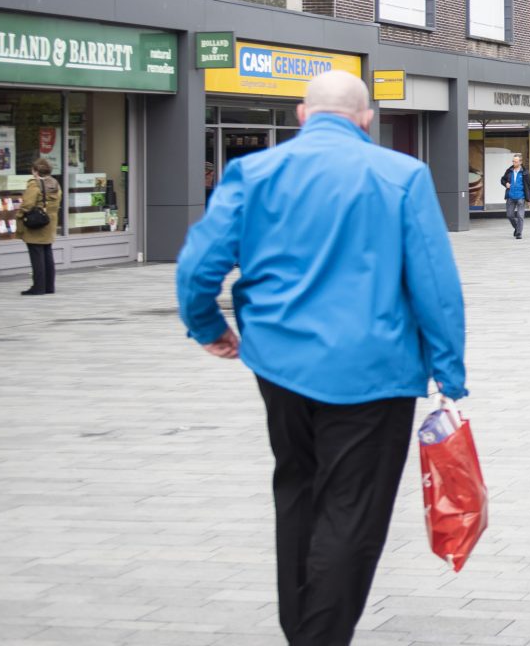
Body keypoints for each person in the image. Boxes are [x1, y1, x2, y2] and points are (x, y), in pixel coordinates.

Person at [175, 70, 466, 646]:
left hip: (280, 365)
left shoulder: (252, 173)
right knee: (352, 509)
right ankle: (319, 637)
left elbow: (197, 265)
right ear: (366, 120)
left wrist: (209, 327)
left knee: (299, 493)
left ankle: (302, 627)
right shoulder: (402, 175)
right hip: (375, 372)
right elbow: (435, 282)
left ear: (303, 117)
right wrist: (448, 372)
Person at [18, 158, 62, 296]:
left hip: (36, 224)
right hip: (50, 223)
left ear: (36, 171)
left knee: (36, 256)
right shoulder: (55, 184)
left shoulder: (34, 185)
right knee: (47, 253)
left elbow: (27, 205)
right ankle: (49, 286)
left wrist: (19, 215)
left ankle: (38, 287)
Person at [499, 153, 530, 239]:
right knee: (510, 215)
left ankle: (519, 234)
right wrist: (505, 183)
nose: (514, 163)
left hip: (521, 197)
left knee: (520, 216)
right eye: (513, 161)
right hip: (510, 197)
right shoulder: (509, 171)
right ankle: (517, 228)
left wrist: (529, 199)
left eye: (516, 161)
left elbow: (529, 186)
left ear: (520, 162)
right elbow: (502, 179)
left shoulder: (525, 172)